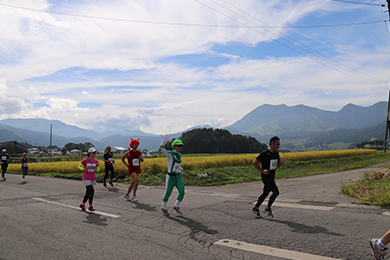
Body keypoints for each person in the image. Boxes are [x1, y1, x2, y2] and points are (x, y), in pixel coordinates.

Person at [251, 136, 285, 219]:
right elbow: (254, 162)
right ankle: (267, 208)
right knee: (275, 192)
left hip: (272, 176)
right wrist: (262, 171)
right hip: (266, 177)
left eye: (279, 145)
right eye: (277, 144)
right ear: (272, 143)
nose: (278, 146)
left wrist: (280, 164)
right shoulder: (265, 153)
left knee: (266, 193)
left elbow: (277, 164)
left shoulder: (276, 153)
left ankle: (256, 208)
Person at [160, 135, 185, 216]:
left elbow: (176, 164)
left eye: (181, 145)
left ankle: (176, 206)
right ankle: (164, 207)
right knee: (168, 192)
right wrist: (162, 143)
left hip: (178, 176)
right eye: (179, 146)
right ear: (174, 146)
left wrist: (180, 168)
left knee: (182, 191)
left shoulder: (179, 155)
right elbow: (163, 151)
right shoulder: (170, 154)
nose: (180, 147)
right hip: (170, 177)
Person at [78, 147, 100, 212]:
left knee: (88, 193)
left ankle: (83, 204)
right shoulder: (85, 160)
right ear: (89, 153)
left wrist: (97, 166)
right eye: (93, 153)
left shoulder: (96, 161)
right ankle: (90, 205)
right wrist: (83, 169)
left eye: (95, 153)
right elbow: (79, 166)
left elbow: (98, 170)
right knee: (91, 191)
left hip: (92, 178)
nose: (94, 154)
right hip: (86, 178)